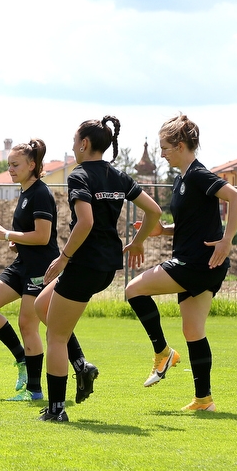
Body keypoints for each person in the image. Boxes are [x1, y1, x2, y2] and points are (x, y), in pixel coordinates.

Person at [34, 116, 162, 422]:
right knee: (42, 307)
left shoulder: (79, 175)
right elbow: (154, 211)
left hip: (85, 262)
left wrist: (63, 257)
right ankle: (81, 367)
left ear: (84, 144)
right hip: (105, 264)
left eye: (74, 141)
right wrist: (138, 241)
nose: (73, 146)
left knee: (55, 336)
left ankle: (55, 410)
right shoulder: (117, 175)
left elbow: (86, 222)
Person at [125, 114, 237, 411]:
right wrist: (162, 230)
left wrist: (227, 239)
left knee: (133, 289)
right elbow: (194, 224)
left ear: (180, 146)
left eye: (165, 147)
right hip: (204, 264)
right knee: (194, 331)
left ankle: (163, 353)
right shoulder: (182, 179)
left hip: (196, 263)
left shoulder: (197, 174)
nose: (162, 153)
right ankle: (204, 400)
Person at [0, 139, 57, 401]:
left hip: (40, 268)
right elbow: (29, 235)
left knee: (27, 324)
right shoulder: (24, 191)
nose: (10, 169)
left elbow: (43, 237)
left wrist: (7, 234)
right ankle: (22, 358)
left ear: (32, 165)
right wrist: (14, 241)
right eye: (9, 164)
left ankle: (34, 391)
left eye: (15, 164)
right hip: (22, 263)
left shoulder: (41, 193)